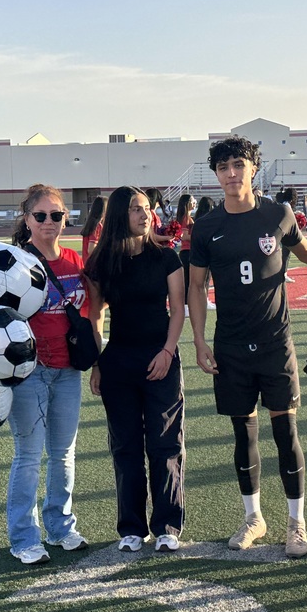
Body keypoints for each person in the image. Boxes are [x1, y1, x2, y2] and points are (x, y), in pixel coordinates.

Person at [188, 135, 307, 558]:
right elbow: (196, 285)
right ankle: (254, 517)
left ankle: (295, 523)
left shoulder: (278, 213)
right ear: (216, 175)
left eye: (239, 165)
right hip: (229, 344)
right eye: (223, 167)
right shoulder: (207, 226)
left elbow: (306, 253)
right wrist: (198, 339)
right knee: (242, 433)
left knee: (286, 432)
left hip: (274, 343)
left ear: (253, 168)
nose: (232, 174)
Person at [84, 186, 186, 553]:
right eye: (134, 209)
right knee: (125, 446)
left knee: (164, 445)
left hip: (161, 359)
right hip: (118, 362)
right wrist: (98, 363)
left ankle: (167, 526)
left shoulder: (166, 257)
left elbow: (178, 310)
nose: (144, 215)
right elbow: (95, 315)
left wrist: (167, 351)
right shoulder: (100, 262)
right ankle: (131, 527)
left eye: (146, 208)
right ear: (117, 216)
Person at [6, 184, 89, 564]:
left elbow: (90, 314)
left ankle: (60, 527)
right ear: (27, 219)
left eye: (56, 215)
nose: (49, 222)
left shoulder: (75, 262)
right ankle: (24, 537)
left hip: (68, 372)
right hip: (29, 373)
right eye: (40, 216)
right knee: (28, 456)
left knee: (63, 454)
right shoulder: (13, 264)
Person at [175, 194, 196, 314]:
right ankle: (186, 306)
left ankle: (187, 305)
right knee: (187, 280)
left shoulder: (188, 217)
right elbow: (183, 236)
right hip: (186, 252)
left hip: (188, 251)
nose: (194, 203)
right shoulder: (185, 219)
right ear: (187, 203)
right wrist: (198, 237)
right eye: (193, 201)